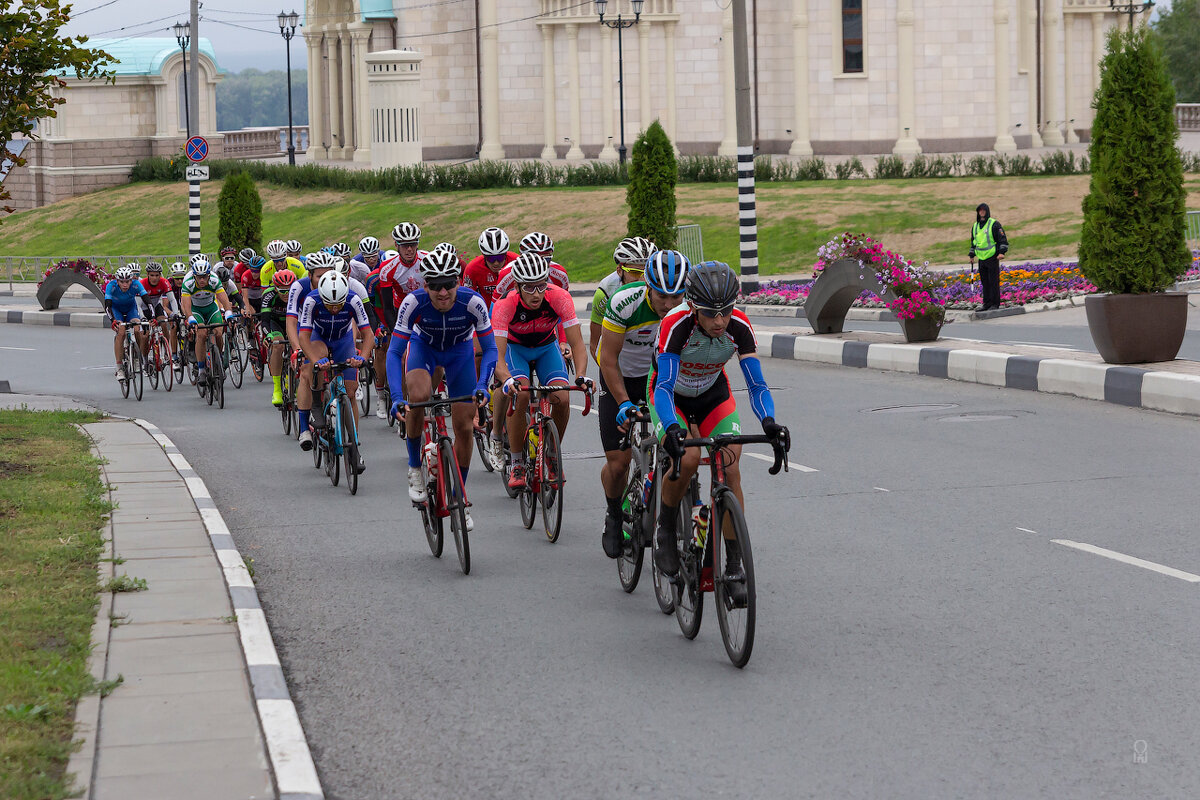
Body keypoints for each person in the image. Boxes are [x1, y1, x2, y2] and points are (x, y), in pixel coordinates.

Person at [649, 261, 788, 597]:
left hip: (713, 394)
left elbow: (756, 385)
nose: (719, 321)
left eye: (726, 311)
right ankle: (665, 529)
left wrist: (769, 422)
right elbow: (664, 387)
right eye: (711, 313)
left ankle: (734, 564)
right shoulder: (675, 324)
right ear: (693, 306)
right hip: (672, 397)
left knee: (730, 463)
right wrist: (670, 427)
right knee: (690, 458)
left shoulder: (738, 325)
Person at [387, 249, 497, 533]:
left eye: (448, 283)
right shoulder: (414, 302)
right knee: (419, 399)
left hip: (459, 352)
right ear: (425, 286)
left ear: (458, 281)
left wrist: (483, 385)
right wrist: (397, 398)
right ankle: (414, 469)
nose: (443, 291)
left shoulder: (473, 302)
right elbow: (395, 351)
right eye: (435, 285)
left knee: (464, 428)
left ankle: (459, 495)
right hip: (425, 350)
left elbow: (490, 349)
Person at [596, 248, 687, 558]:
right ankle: (613, 513)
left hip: (659, 380)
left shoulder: (687, 308)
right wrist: (622, 402)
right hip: (621, 376)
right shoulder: (625, 302)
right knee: (619, 463)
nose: (669, 305)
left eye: (677, 297)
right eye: (662, 296)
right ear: (647, 285)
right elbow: (607, 359)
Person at [490, 253, 590, 491]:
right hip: (517, 350)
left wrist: (581, 376)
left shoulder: (559, 297)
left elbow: (577, 344)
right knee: (521, 394)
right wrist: (506, 380)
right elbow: (498, 356)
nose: (536, 293)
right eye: (529, 287)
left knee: (562, 397)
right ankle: (516, 463)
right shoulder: (506, 305)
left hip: (547, 349)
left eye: (541, 286)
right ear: (517, 286)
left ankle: (552, 455)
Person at [296, 270, 374, 473]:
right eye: (329, 304)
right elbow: (303, 337)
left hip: (343, 340)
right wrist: (315, 361)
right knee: (312, 365)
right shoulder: (312, 300)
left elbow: (368, 335)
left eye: (338, 304)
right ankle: (313, 407)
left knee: (350, 391)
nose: (333, 308)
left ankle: (354, 446)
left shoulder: (353, 300)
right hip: (318, 336)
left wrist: (362, 358)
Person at [589, 236, 655, 361]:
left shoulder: (660, 289)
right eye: (635, 272)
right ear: (619, 270)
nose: (642, 279)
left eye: (647, 272)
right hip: (619, 359)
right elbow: (595, 346)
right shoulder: (605, 292)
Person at [180, 257, 236, 386]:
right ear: (194, 275)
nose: (201, 280)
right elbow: (186, 306)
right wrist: (191, 319)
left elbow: (224, 299)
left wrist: (228, 314)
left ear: (209, 275)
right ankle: (201, 370)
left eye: (204, 277)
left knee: (218, 332)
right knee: (201, 334)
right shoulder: (188, 282)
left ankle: (219, 358)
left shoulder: (214, 280)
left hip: (211, 308)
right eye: (199, 277)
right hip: (195, 310)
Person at [103, 265, 149, 380]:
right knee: (121, 332)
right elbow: (108, 306)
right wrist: (113, 321)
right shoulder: (111, 286)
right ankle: (119, 367)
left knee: (138, 328)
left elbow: (147, 300)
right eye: (122, 282)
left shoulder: (136, 284)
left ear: (131, 280)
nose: (125, 285)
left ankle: (137, 358)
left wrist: (152, 316)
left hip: (130, 309)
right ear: (117, 281)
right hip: (116, 310)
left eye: (127, 281)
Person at [260, 268, 296, 407]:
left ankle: (298, 381)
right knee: (278, 344)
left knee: (298, 345)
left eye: (289, 289)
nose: (286, 294)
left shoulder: (299, 293)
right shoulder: (268, 295)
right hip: (275, 323)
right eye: (282, 290)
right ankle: (277, 389)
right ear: (275, 288)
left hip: (293, 322)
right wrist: (268, 335)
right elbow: (265, 321)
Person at [970, 202, 1009, 312]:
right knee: (985, 282)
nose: (982, 212)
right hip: (981, 258)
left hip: (992, 257)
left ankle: (995, 304)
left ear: (987, 211)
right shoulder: (975, 226)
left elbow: (1002, 239)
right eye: (980, 210)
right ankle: (986, 303)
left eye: (984, 210)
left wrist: (1002, 252)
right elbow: (973, 242)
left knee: (993, 281)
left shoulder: (994, 224)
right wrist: (972, 255)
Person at [139, 262, 178, 362]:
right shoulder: (142, 284)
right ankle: (144, 359)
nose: (155, 278)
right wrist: (143, 317)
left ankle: (166, 351)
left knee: (164, 323)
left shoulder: (164, 282)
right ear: (147, 275)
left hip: (156, 307)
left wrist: (175, 314)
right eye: (152, 275)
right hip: (144, 309)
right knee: (145, 335)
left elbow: (172, 300)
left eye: (157, 275)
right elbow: (138, 305)